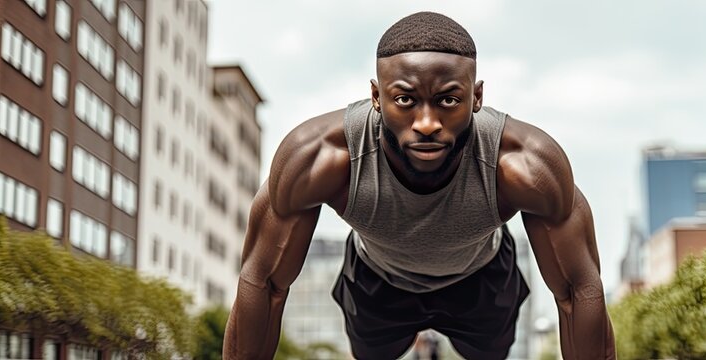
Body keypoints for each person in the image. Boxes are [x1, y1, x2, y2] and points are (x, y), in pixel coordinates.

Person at [223, 11, 615, 360]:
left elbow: (577, 292)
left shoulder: (525, 164)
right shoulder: (318, 157)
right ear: (376, 97)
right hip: (377, 280)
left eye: (447, 101)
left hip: (482, 278)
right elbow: (264, 282)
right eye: (405, 100)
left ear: (476, 97)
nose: (426, 123)